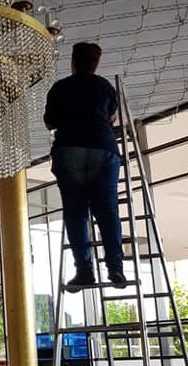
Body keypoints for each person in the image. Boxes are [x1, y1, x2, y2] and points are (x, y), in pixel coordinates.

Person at [43, 42, 126, 293]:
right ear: (95, 64)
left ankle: (84, 271)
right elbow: (111, 117)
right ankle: (115, 268)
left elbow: (50, 122)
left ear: (73, 63)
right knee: (107, 211)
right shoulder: (105, 87)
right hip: (103, 149)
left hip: (69, 150)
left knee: (76, 213)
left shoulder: (60, 88)